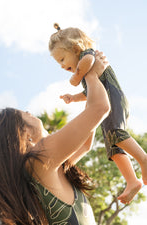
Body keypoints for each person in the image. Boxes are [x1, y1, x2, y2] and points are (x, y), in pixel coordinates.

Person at [0, 53, 110, 225]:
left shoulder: (49, 167)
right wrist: (92, 76)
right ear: (23, 133)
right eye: (25, 114)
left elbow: (85, 144)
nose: (30, 113)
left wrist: (88, 80)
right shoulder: (40, 160)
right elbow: (100, 107)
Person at [49, 23, 147, 204]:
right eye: (58, 63)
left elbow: (88, 62)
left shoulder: (88, 55)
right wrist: (74, 97)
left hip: (113, 99)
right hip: (107, 102)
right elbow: (89, 93)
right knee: (112, 145)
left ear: (76, 48)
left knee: (116, 133)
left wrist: (76, 78)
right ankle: (132, 180)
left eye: (62, 59)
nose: (62, 66)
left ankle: (143, 159)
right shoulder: (89, 74)